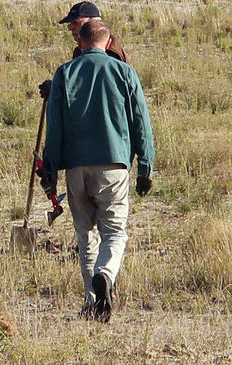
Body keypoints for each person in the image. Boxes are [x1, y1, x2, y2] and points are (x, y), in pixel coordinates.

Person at [42, 20, 154, 322]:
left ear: (80, 42)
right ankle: (105, 274)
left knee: (85, 235)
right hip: (114, 165)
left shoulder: (65, 73)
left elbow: (55, 129)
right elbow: (140, 121)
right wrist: (146, 164)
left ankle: (92, 302)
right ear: (107, 43)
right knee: (114, 233)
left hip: (76, 168)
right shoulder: (125, 72)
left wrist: (50, 168)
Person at [39, 1, 127, 99]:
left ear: (94, 23)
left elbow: (100, 92)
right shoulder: (80, 50)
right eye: (70, 23)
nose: (70, 27)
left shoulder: (110, 53)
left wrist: (57, 88)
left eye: (76, 22)